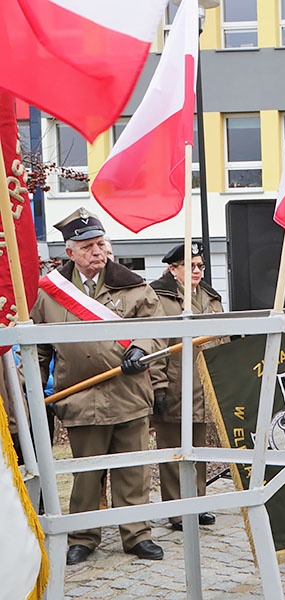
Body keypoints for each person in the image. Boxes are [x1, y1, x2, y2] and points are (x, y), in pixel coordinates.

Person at [31, 208, 165, 564]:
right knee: (86, 474)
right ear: (70, 252)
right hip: (79, 398)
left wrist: (140, 347)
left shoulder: (134, 286)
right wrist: (35, 393)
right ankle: (83, 537)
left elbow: (155, 329)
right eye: (88, 246)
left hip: (128, 394)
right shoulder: (49, 294)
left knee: (133, 472)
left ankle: (136, 534)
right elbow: (39, 348)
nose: (98, 252)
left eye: (102, 243)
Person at [150, 242, 223, 529]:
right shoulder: (158, 297)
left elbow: (222, 339)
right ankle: (178, 510)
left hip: (204, 384)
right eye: (190, 265)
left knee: (199, 449)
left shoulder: (209, 296)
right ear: (173, 268)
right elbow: (154, 343)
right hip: (174, 383)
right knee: (173, 451)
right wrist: (157, 387)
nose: (197, 270)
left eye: (200, 266)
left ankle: (198, 503)